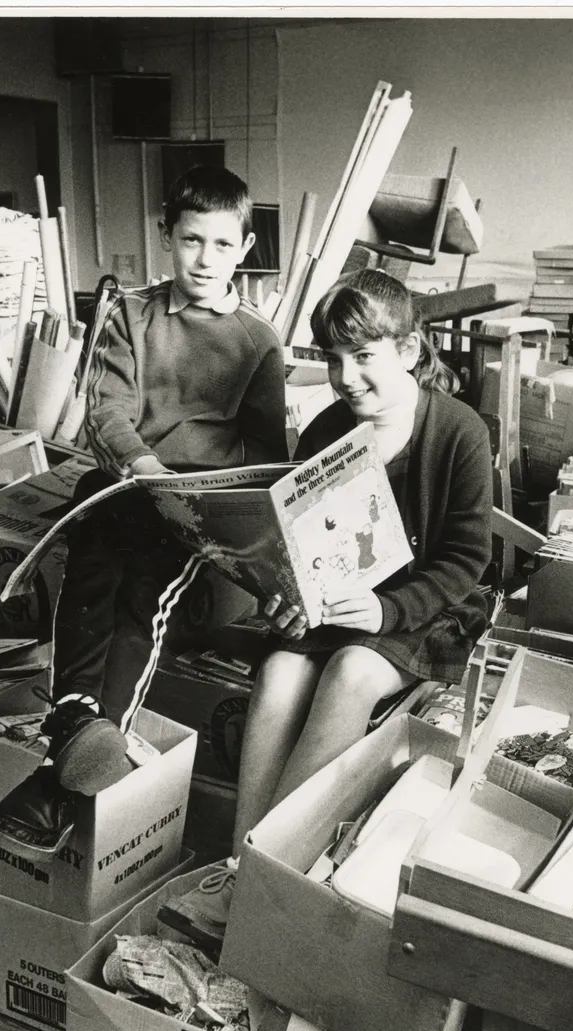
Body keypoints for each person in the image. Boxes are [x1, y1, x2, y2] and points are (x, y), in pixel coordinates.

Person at [0, 165, 285, 861]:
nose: (204, 260)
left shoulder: (258, 342)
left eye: (221, 244)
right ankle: (81, 718)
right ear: (166, 239)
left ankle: (68, 758)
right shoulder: (131, 313)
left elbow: (269, 454)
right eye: (189, 241)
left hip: (197, 507)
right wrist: (142, 468)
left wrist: (223, 510)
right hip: (130, 481)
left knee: (143, 590)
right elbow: (107, 412)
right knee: (94, 544)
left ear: (246, 247)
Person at [231, 270, 493, 857]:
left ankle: (274, 859)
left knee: (350, 672)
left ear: (408, 349)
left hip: (426, 610)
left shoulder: (459, 432)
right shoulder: (326, 429)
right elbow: (301, 544)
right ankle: (238, 856)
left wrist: (387, 609)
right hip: (337, 606)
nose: (345, 378)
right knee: (277, 672)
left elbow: (467, 559)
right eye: (331, 359)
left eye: (363, 355)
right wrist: (287, 598)